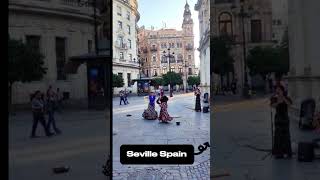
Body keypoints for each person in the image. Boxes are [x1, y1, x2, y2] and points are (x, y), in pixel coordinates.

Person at [270, 85, 293, 159]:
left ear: (282, 90)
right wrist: (278, 102)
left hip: (285, 118)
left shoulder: (286, 97)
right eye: (277, 90)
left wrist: (283, 98)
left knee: (286, 136)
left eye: (279, 90)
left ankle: (288, 152)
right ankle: (278, 153)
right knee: (278, 136)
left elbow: (289, 104)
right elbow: (272, 105)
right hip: (278, 119)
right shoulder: (274, 98)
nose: (278, 91)